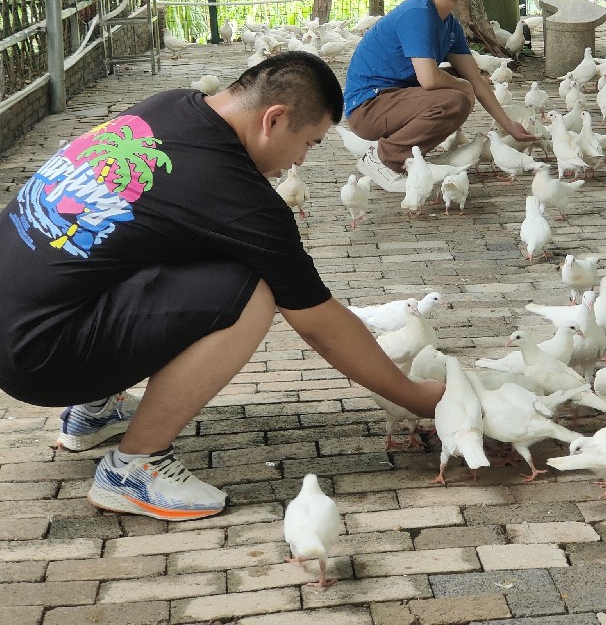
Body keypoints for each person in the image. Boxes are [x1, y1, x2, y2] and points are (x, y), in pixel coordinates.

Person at [0, 52, 444, 520]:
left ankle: (94, 410)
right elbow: (319, 322)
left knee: (163, 240)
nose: (302, 160)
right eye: (309, 143)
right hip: (38, 356)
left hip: (22, 320)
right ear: (274, 119)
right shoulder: (240, 198)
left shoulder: (171, 106)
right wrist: (414, 396)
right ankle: (133, 467)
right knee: (249, 292)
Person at [344, 0, 534, 192]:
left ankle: (404, 159)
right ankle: (382, 158)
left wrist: (507, 124)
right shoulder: (418, 14)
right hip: (368, 107)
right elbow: (429, 79)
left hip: (395, 101)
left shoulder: (449, 23)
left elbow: (476, 80)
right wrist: (462, 85)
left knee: (460, 97)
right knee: (454, 100)